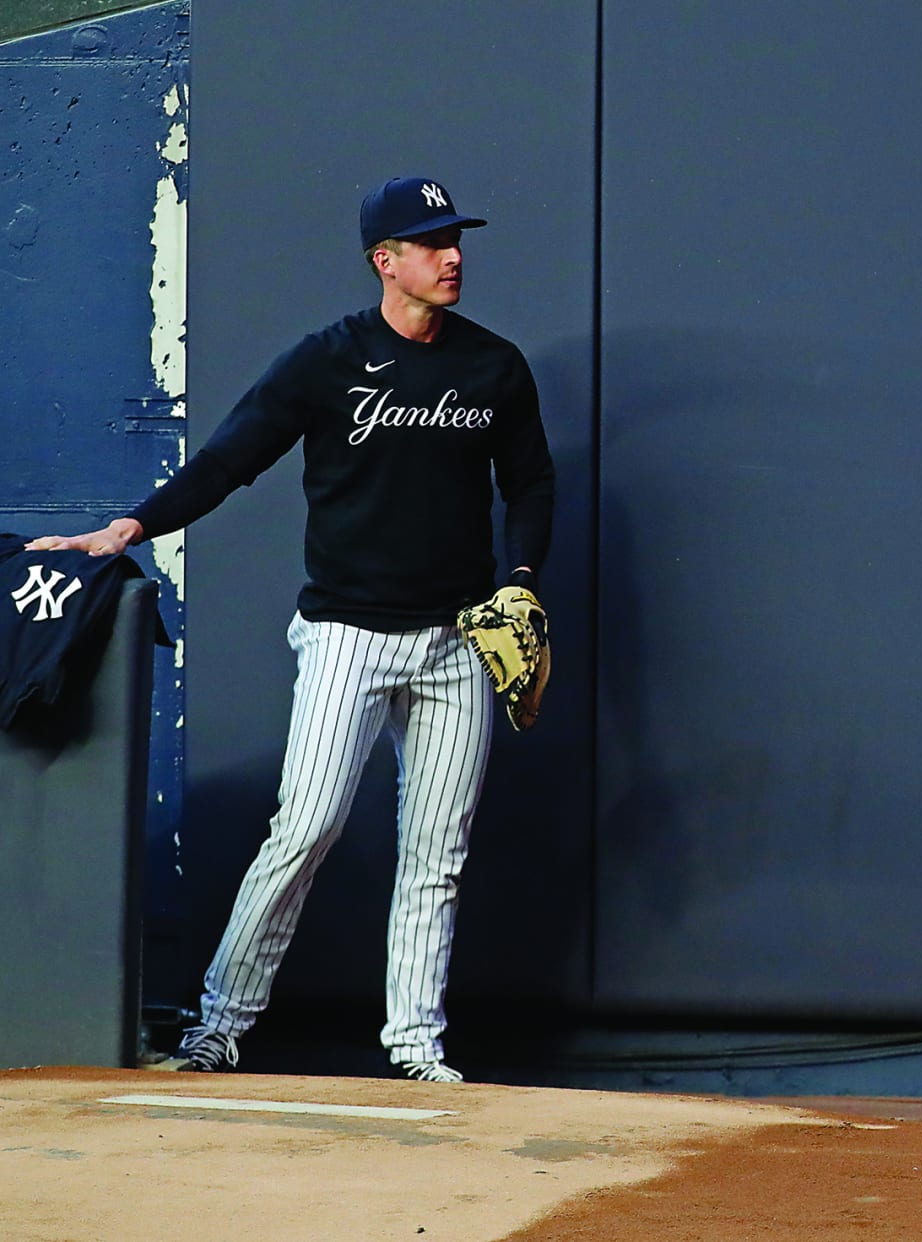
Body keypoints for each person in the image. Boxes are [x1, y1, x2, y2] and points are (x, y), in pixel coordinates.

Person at [28, 176, 555, 1082]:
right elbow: (233, 456)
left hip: (458, 640)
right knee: (305, 827)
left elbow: (532, 481)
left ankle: (417, 1048)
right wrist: (130, 527)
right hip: (347, 631)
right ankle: (219, 1026)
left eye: (455, 238)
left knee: (438, 850)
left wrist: (519, 583)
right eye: (431, 242)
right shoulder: (328, 360)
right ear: (385, 261)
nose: (453, 255)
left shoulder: (494, 366)